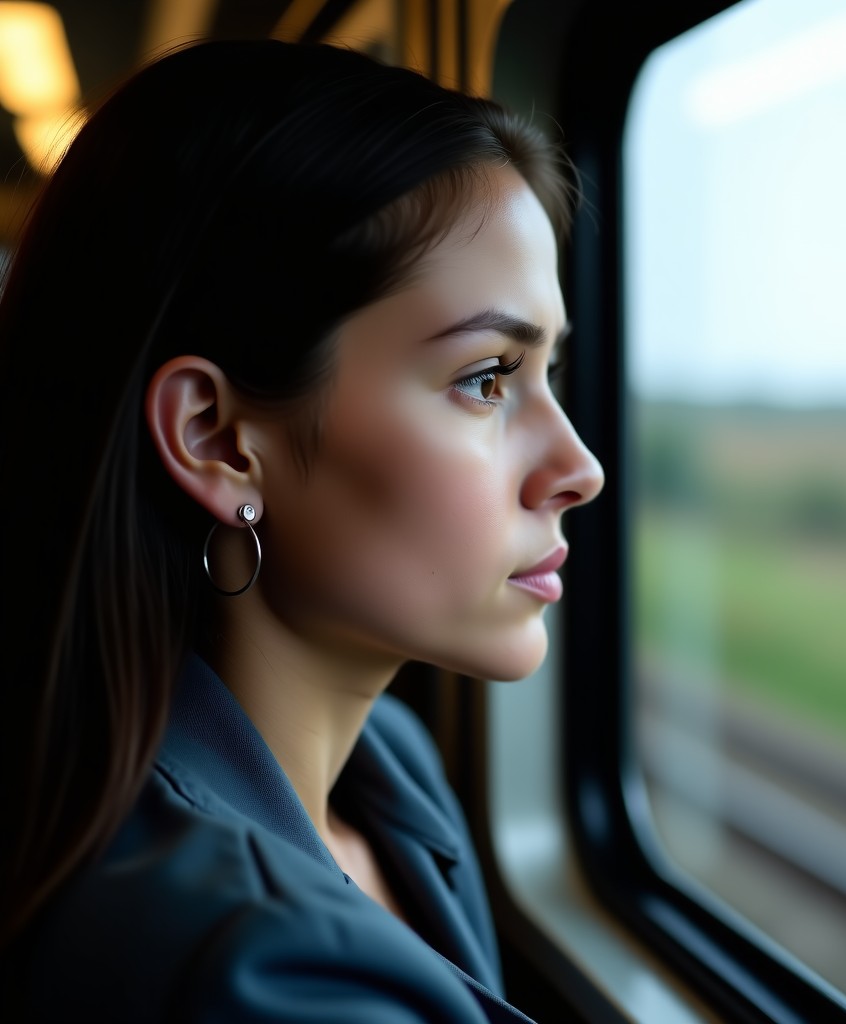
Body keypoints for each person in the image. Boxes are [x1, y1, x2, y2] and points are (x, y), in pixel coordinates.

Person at [0, 37, 603, 1022]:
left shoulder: (387, 764)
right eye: (487, 378)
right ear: (219, 439)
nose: (579, 468)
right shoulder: (253, 970)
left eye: (549, 375)